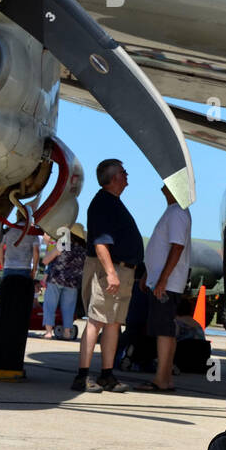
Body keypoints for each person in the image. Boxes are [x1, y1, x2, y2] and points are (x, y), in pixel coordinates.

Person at [73, 159, 144, 394]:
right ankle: (82, 375)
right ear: (113, 178)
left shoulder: (112, 202)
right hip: (110, 270)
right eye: (123, 172)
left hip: (122, 270)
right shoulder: (103, 203)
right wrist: (111, 273)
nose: (127, 175)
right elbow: (101, 242)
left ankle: (107, 374)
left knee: (113, 322)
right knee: (97, 320)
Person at [138, 185, 192, 392]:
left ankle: (161, 378)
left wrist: (162, 280)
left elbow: (177, 247)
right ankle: (165, 377)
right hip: (163, 281)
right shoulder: (174, 211)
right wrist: (149, 274)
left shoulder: (178, 212)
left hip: (166, 284)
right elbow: (162, 249)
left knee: (163, 331)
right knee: (166, 330)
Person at [41, 223, 86, 340]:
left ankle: (49, 332)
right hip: (73, 283)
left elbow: (46, 260)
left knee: (50, 306)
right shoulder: (85, 250)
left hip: (56, 279)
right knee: (69, 308)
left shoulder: (63, 244)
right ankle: (67, 332)